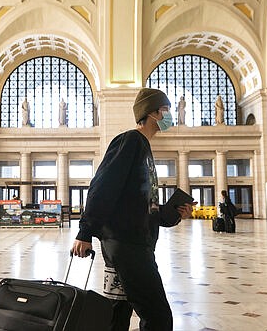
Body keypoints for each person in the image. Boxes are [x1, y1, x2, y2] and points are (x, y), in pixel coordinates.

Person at [71, 88, 195, 331]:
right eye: (166, 110)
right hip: (128, 246)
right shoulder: (130, 140)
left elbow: (143, 206)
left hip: (130, 242)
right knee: (158, 317)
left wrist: (172, 214)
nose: (170, 116)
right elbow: (103, 186)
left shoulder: (144, 147)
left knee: (117, 313)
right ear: (153, 113)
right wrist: (85, 232)